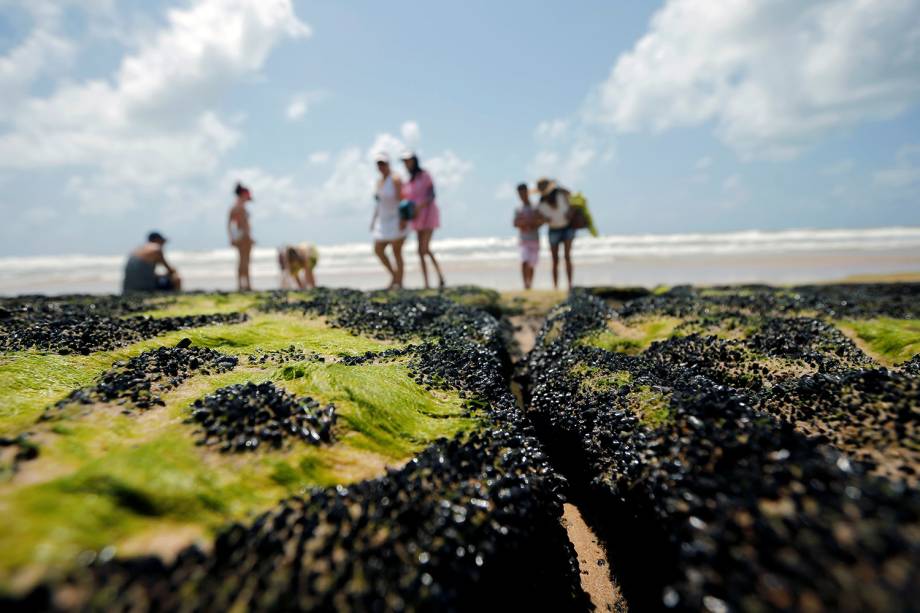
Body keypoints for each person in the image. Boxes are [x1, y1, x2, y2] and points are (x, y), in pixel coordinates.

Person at [401, 151, 445, 289]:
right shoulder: (408, 181)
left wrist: (420, 206)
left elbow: (432, 194)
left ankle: (439, 277)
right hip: (416, 217)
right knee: (421, 251)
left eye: (408, 160)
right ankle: (427, 282)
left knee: (424, 249)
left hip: (428, 214)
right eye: (404, 161)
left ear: (414, 160)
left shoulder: (425, 175)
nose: (407, 163)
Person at [370, 152, 407, 289]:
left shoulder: (396, 179)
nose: (381, 166)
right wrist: (373, 221)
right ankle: (395, 277)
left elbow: (402, 199)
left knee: (397, 252)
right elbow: (378, 203)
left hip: (396, 218)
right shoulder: (379, 182)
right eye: (379, 164)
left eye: (383, 163)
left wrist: (402, 219)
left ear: (388, 164)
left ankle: (399, 282)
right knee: (378, 249)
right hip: (383, 221)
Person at [535, 177, 575, 290]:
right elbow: (540, 220)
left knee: (567, 256)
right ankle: (555, 286)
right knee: (555, 260)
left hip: (567, 227)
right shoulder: (541, 203)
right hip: (553, 230)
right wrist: (544, 220)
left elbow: (573, 202)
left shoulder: (561, 194)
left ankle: (570, 285)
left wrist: (570, 214)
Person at [513, 182, 545, 290]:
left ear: (527, 192)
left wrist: (533, 223)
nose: (522, 196)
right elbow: (515, 223)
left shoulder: (535, 207)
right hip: (523, 240)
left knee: (531, 264)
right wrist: (524, 223)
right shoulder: (518, 209)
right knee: (524, 261)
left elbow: (541, 221)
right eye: (520, 194)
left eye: (523, 193)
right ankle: (525, 285)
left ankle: (530, 284)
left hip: (534, 239)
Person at [228, 182, 254, 291]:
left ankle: (241, 284)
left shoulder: (235, 207)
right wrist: (247, 236)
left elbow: (229, 224)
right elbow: (243, 225)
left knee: (242, 261)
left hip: (239, 237)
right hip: (243, 237)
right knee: (245, 261)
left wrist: (232, 237)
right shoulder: (239, 208)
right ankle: (246, 285)